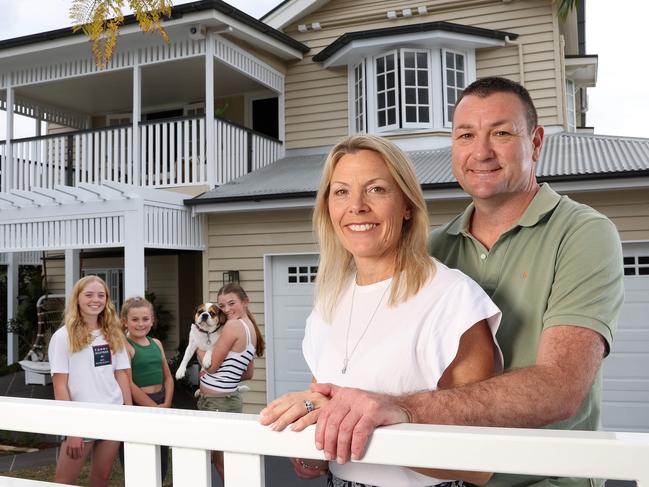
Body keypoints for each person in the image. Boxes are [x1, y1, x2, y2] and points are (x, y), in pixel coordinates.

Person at [292, 77, 624, 487]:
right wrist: (327, 426)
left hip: (545, 480)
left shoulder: (583, 234)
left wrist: (400, 408)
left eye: (501, 133)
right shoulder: (432, 252)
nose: (481, 151)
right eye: (466, 134)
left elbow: (560, 388)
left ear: (536, 143)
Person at [260, 134, 503, 487]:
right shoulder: (328, 304)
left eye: (376, 189)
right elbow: (328, 422)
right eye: (341, 191)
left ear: (407, 206)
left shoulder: (453, 300)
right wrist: (316, 446)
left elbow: (479, 466)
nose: (356, 206)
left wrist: (360, 423)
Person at [48, 276, 132, 487]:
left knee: (101, 479)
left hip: (112, 413)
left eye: (101, 295)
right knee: (64, 481)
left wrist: (130, 413)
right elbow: (60, 385)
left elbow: (121, 374)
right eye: (89, 294)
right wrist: (72, 429)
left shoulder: (113, 333)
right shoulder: (62, 337)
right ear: (77, 299)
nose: (96, 300)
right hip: (80, 418)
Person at [196, 282, 265, 480]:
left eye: (231, 303)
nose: (226, 309)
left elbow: (212, 366)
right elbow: (247, 373)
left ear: (245, 302)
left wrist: (197, 345)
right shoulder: (250, 327)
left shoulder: (234, 325)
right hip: (227, 401)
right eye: (222, 306)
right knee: (226, 459)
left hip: (217, 403)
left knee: (222, 462)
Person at [120, 296, 174, 481]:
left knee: (160, 455)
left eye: (145, 319)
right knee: (139, 456)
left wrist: (166, 403)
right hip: (139, 405)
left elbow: (168, 377)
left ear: (152, 320)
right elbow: (128, 383)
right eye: (135, 320)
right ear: (125, 322)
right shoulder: (125, 347)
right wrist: (152, 407)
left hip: (161, 403)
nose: (141, 324)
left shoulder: (156, 344)